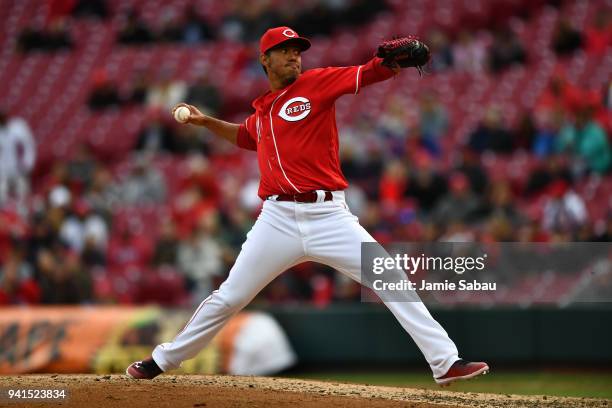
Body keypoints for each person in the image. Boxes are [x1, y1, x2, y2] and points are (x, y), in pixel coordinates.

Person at [126, 26, 488, 384]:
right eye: (285, 50)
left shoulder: (317, 83)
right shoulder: (264, 110)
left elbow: (369, 72)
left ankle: (446, 362)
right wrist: (206, 122)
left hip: (329, 215)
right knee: (229, 297)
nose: (294, 55)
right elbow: (245, 136)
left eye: (297, 49)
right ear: (264, 59)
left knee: (390, 278)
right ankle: (162, 360)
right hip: (277, 220)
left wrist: (387, 64)